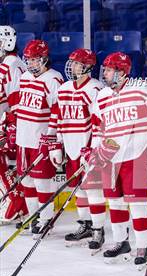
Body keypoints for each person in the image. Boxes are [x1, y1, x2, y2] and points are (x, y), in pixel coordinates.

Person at [89, 52, 147, 268]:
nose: (105, 74)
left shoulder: (141, 89)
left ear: (121, 71)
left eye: (108, 70)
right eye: (105, 70)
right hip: (108, 159)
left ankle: (142, 246)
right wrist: (94, 151)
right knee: (115, 202)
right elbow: (98, 125)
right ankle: (121, 242)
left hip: (135, 157)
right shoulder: (102, 96)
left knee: (138, 204)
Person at [47, 48, 107, 251]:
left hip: (89, 150)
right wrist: (56, 145)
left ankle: (98, 229)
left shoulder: (95, 89)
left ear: (88, 67)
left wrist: (92, 150)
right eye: (71, 62)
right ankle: (86, 225)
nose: (72, 67)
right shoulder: (63, 88)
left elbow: (100, 123)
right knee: (78, 190)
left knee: (93, 190)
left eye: (77, 64)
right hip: (71, 148)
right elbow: (57, 118)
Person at [15, 39, 64, 238]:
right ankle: (33, 217)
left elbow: (58, 109)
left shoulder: (54, 79)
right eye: (28, 60)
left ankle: (45, 220)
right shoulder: (25, 77)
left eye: (35, 60)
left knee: (43, 182)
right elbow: (19, 104)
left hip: (41, 139)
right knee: (26, 180)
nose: (30, 64)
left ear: (44, 60)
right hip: (23, 138)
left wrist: (51, 138)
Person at [0, 26, 27, 225]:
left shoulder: (11, 64)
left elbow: (17, 99)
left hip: (12, 121)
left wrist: (12, 125)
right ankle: (17, 200)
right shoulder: (7, 63)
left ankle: (17, 200)